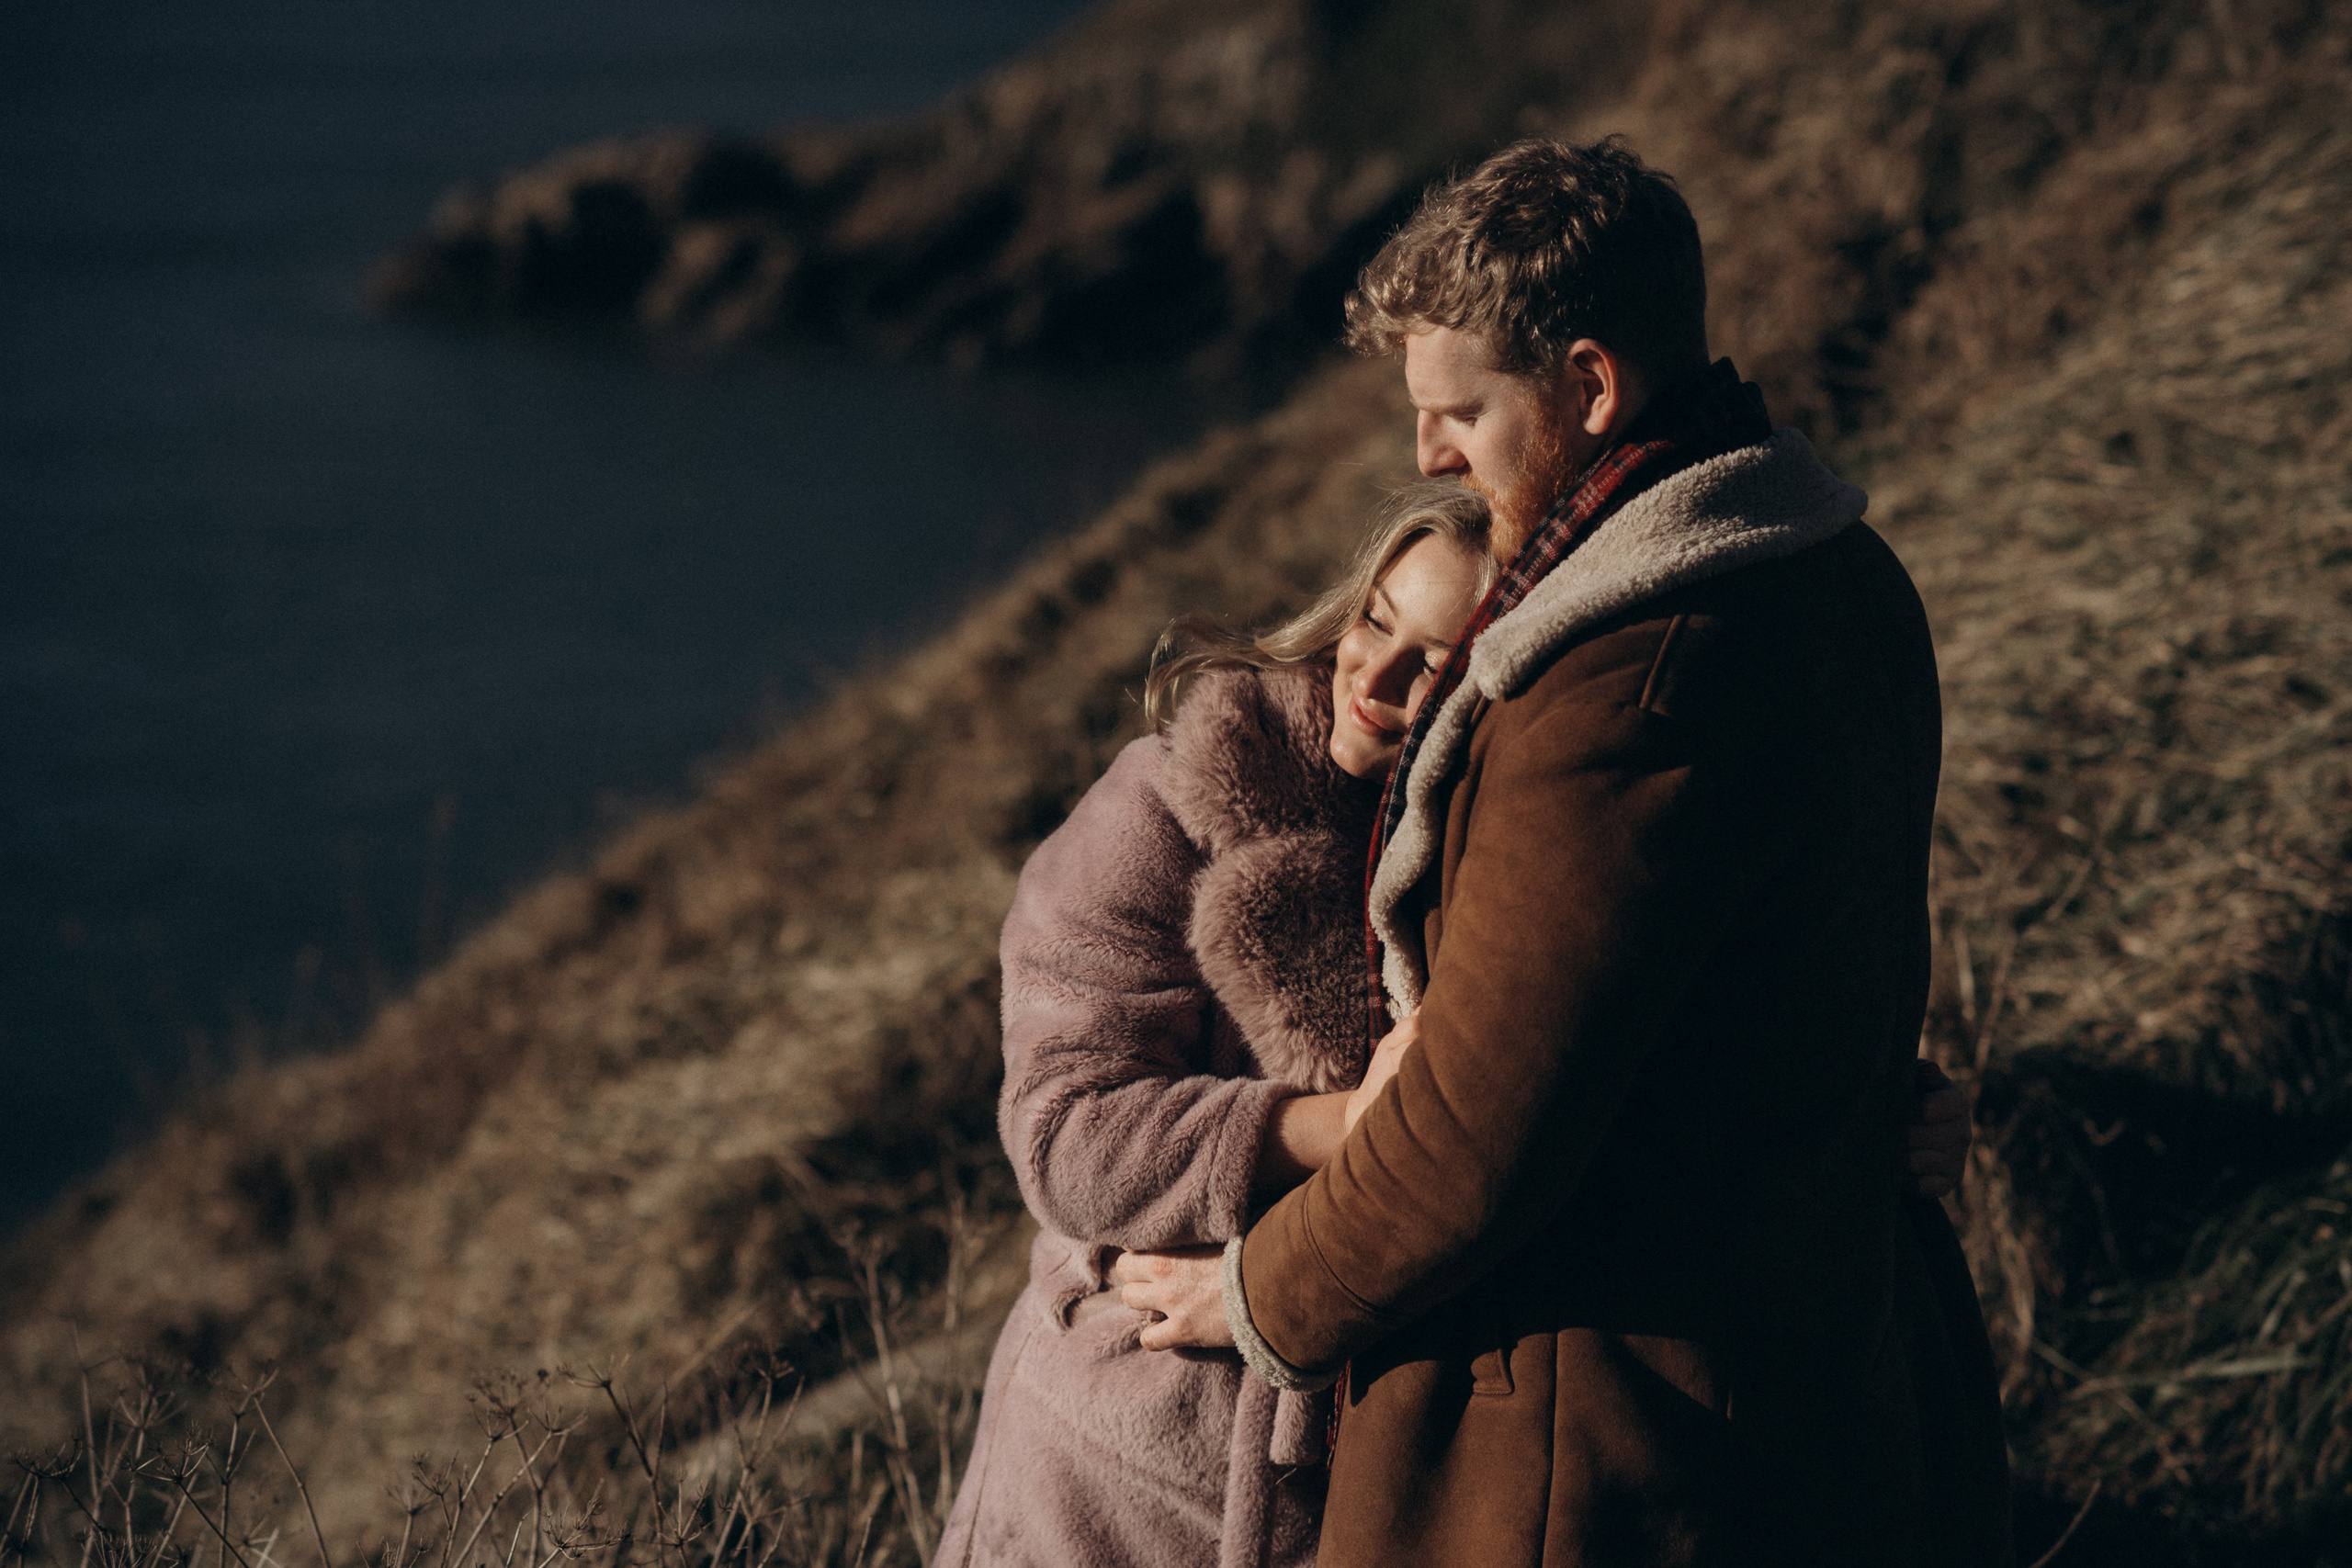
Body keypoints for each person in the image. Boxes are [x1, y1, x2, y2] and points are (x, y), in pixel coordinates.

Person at [1114, 138, 2014, 1567]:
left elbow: (1472, 1141)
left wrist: (1258, 1294)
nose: (1426, 458)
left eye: (1457, 410)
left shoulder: (1623, 687)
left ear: (1591, 385)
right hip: (1829, 1395)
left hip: (1596, 1462)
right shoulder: (1845, 576)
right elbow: (1769, 971)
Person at [937, 485, 1977, 1563]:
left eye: (1430, 660)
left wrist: (1880, 1119)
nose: (1372, 677)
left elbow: (1622, 1091)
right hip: (1115, 1466)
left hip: (1376, 1472)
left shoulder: (1529, 857)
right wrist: (1341, 1127)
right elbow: (1067, 1140)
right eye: (1374, 619)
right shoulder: (1165, 806)